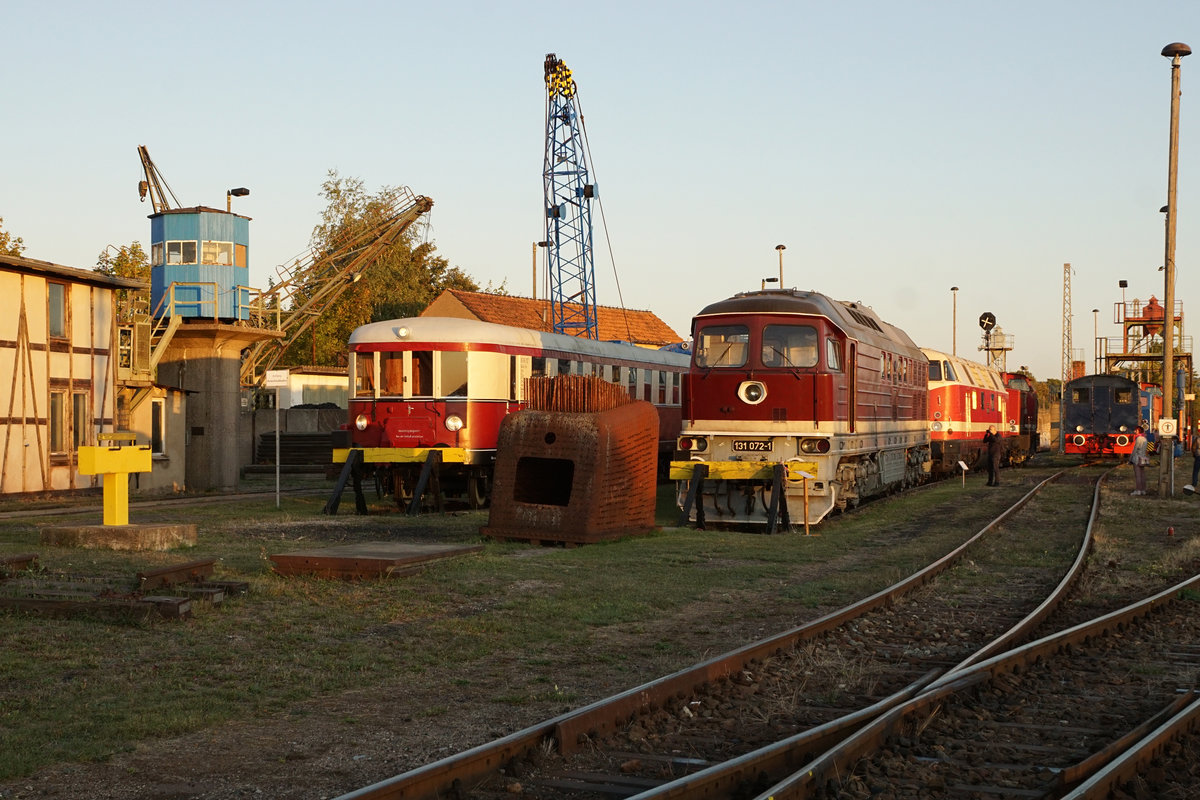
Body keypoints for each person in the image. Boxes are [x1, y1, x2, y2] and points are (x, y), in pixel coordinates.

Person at [1130, 426, 1149, 496]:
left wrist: (1130, 459)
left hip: (1137, 458)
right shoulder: (1144, 438)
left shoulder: (1138, 439)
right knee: (1142, 475)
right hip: (1143, 458)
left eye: (1135, 430)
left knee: (1137, 475)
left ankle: (1138, 490)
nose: (1134, 431)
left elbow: (1135, 450)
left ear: (1138, 431)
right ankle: (1143, 490)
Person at [1187, 428, 1200, 494]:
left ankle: (1194, 483)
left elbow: (1194, 447)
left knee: (1196, 471)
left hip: (1198, 456)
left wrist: (1194, 455)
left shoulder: (1197, 439)